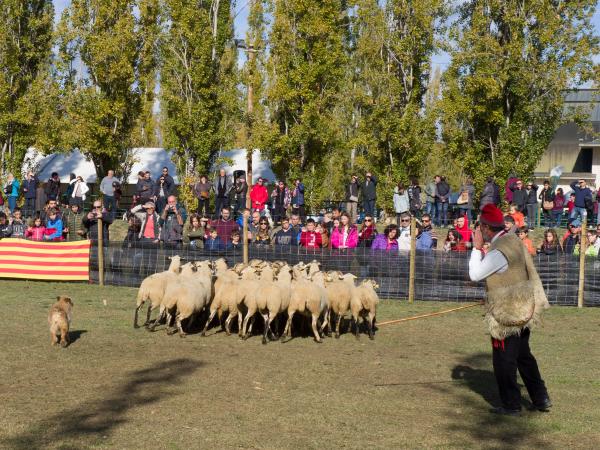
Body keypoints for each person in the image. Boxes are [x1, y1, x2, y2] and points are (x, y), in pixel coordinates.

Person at [469, 203, 551, 416]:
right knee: (524, 356)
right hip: (524, 307)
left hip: (507, 314)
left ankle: (511, 404)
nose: (477, 231)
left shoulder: (498, 251)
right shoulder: (513, 239)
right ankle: (541, 398)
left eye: (479, 227)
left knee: (504, 359)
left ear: (486, 228)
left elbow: (475, 275)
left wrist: (476, 248)